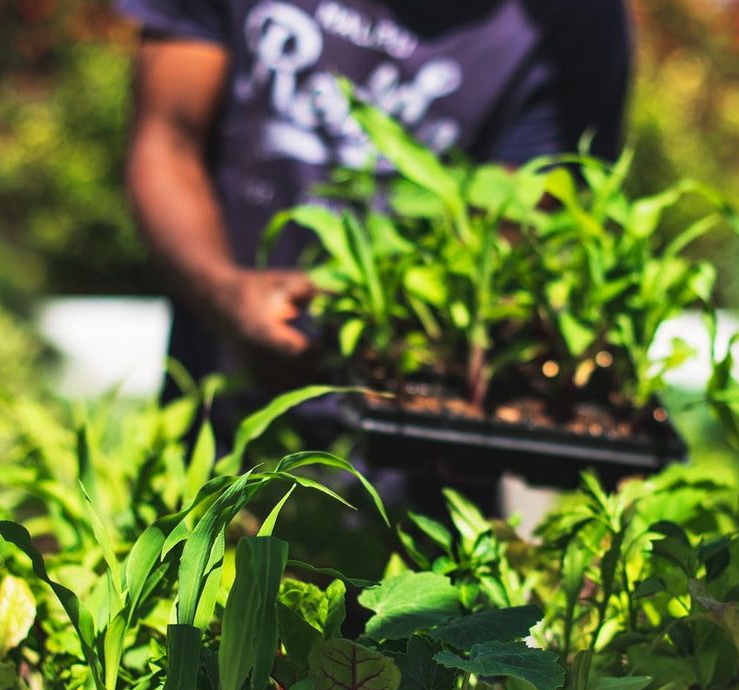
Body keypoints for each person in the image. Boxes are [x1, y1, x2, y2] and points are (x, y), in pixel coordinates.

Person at [118, 0, 633, 394]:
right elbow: (166, 142)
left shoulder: (576, 18)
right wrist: (220, 290)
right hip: (220, 386)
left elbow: (512, 220)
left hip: (420, 431)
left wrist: (400, 333)